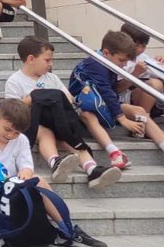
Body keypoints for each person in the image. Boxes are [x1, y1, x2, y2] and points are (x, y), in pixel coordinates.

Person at [0, 99, 106, 247]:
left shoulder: (21, 140)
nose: (11, 135)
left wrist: (25, 171)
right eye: (7, 129)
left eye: (16, 132)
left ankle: (68, 229)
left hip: (13, 192)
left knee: (39, 180)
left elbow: (26, 166)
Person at [5, 36, 120, 190]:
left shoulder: (52, 78)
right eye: (47, 60)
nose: (50, 64)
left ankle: (92, 168)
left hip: (58, 121)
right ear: (31, 59)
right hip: (34, 124)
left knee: (69, 136)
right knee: (46, 133)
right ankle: (55, 161)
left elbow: (68, 99)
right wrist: (34, 97)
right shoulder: (15, 81)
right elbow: (13, 111)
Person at [70, 30, 164, 170]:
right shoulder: (94, 64)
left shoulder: (108, 63)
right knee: (89, 116)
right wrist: (123, 119)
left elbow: (113, 92)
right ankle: (114, 153)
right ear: (107, 53)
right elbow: (107, 92)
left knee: (139, 111)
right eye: (122, 60)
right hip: (84, 105)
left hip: (103, 104)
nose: (124, 64)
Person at [119, 22, 164, 119]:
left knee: (159, 82)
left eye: (143, 46)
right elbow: (117, 89)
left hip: (151, 100)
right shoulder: (118, 58)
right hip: (126, 100)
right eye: (136, 45)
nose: (139, 49)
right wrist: (135, 73)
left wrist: (159, 65)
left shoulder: (143, 57)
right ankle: (142, 120)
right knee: (155, 84)